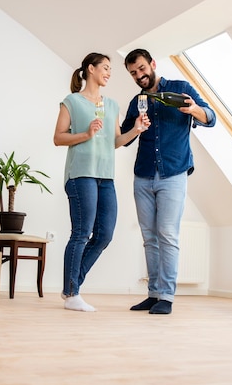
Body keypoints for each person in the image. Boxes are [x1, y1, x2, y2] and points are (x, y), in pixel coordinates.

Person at [121, 49, 216, 315]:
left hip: (173, 173)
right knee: (149, 237)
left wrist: (194, 109)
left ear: (152, 64)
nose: (139, 75)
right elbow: (125, 138)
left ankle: (167, 296)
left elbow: (211, 118)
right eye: (133, 73)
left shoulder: (180, 88)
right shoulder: (136, 101)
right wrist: (136, 127)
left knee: (168, 234)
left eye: (141, 68)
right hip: (143, 175)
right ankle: (153, 294)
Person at [53, 52, 149, 312]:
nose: (108, 72)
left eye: (110, 69)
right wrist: (85, 133)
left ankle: (70, 287)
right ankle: (72, 293)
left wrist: (136, 130)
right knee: (82, 233)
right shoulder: (71, 102)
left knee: (104, 234)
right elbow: (59, 138)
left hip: (106, 176)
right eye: (105, 68)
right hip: (80, 174)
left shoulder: (112, 105)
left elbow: (115, 141)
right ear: (90, 69)